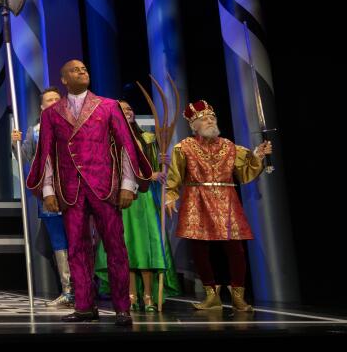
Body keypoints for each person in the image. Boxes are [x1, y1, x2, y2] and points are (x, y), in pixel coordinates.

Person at [25, 60, 154, 326]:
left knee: (115, 246)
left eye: (84, 69)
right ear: (64, 79)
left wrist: (127, 185)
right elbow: (47, 152)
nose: (82, 72)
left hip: (104, 186)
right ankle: (84, 306)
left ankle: (122, 308)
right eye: (75, 70)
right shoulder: (52, 113)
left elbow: (126, 145)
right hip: (71, 189)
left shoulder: (108, 106)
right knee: (77, 249)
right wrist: (48, 190)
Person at [165, 100, 271, 312]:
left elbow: (244, 173)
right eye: (205, 119)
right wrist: (170, 195)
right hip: (197, 198)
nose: (210, 121)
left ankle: (238, 297)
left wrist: (257, 155)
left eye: (212, 117)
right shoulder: (183, 147)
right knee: (200, 249)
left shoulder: (231, 147)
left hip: (226, 199)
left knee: (236, 249)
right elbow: (175, 175)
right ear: (194, 125)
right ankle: (211, 296)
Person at [94, 101, 180, 312]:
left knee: (146, 246)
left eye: (130, 109)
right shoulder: (108, 139)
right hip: (122, 196)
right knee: (127, 246)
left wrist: (159, 167)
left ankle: (149, 294)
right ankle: (130, 294)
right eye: (123, 110)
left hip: (143, 198)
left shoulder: (148, 139)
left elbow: (153, 168)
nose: (128, 112)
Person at [11, 87, 73, 307]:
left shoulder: (75, 123)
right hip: (48, 193)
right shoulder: (35, 130)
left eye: (57, 98)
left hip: (74, 191)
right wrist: (15, 143)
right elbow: (25, 157)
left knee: (78, 238)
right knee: (58, 240)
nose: (54, 102)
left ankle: (85, 287)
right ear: (42, 106)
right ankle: (68, 291)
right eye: (49, 99)